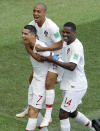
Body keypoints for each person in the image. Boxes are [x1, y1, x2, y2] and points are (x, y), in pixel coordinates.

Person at [16, 2, 63, 128]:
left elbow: (60, 44)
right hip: (41, 54)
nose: (35, 14)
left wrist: (43, 49)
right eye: (34, 11)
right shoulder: (31, 25)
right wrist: (35, 54)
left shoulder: (51, 27)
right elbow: (26, 43)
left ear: (44, 13)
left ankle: (48, 116)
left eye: (38, 11)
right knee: (32, 78)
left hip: (55, 57)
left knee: (48, 82)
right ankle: (30, 107)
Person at [43, 22, 96, 131]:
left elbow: (72, 66)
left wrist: (54, 60)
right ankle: (93, 127)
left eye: (68, 32)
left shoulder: (77, 47)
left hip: (76, 86)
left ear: (74, 33)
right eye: (64, 32)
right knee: (72, 112)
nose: (65, 34)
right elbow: (62, 60)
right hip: (67, 84)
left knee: (63, 114)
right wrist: (57, 75)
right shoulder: (65, 44)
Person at [22, 25, 50, 131]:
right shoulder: (29, 45)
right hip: (35, 81)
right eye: (22, 33)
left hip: (42, 83)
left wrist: (54, 78)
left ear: (33, 35)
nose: (23, 36)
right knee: (31, 110)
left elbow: (56, 58)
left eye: (25, 34)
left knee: (33, 111)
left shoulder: (40, 46)